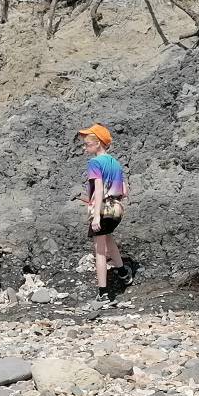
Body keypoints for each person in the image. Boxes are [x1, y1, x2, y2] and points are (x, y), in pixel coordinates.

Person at [77, 123, 128, 303]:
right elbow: (124, 190)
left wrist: (96, 214)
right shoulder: (115, 162)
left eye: (87, 144)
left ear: (98, 143)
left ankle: (103, 294)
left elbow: (98, 190)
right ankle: (123, 273)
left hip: (103, 209)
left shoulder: (94, 162)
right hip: (117, 209)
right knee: (108, 238)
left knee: (99, 251)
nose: (84, 147)